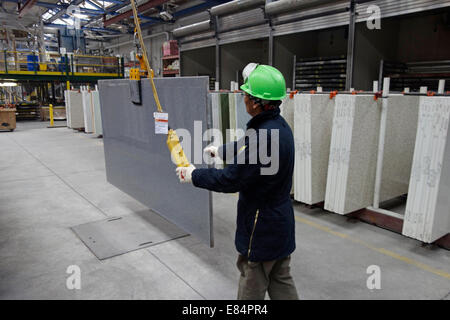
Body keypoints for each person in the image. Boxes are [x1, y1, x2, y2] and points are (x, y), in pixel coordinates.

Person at [175, 63, 298, 300]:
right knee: (280, 277)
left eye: (245, 95)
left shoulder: (265, 137)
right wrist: (221, 151)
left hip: (262, 226)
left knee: (252, 279)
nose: (243, 99)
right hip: (280, 223)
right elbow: (246, 145)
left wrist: (194, 175)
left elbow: (231, 179)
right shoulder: (277, 126)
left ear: (256, 102)